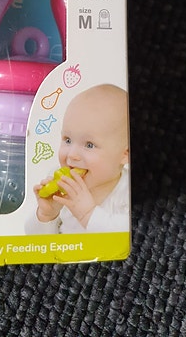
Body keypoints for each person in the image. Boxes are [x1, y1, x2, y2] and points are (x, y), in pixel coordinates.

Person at [25, 84, 130, 233]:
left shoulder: (128, 190)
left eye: (89, 145)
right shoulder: (61, 183)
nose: (72, 155)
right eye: (67, 140)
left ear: (125, 154)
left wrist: (88, 214)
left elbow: (133, 236)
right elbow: (35, 241)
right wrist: (47, 215)